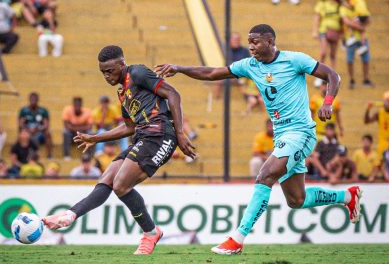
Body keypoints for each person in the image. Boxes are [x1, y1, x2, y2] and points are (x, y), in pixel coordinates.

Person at [155, 24, 361, 255]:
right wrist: (179, 68)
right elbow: (212, 73)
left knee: (265, 175)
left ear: (271, 42)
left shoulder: (295, 60)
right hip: (283, 136)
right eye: (249, 41)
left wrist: (327, 102)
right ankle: (347, 196)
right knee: (296, 200)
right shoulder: (249, 66)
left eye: (255, 42)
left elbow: (333, 75)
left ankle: (237, 238)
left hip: (301, 132)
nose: (251, 47)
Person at [43, 45, 195, 255]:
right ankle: (70, 215)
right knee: (106, 180)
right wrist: (96, 138)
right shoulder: (122, 92)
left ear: (122, 64)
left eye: (110, 70)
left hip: (161, 135)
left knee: (121, 185)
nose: (106, 76)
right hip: (142, 137)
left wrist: (180, 134)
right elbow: (129, 127)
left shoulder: (138, 73)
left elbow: (173, 94)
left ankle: (151, 233)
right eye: (102, 72)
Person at [340, 0, 373, 88]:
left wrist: (355, 25)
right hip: (350, 39)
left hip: (361, 38)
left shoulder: (359, 4)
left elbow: (369, 19)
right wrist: (361, 28)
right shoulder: (343, 8)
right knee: (350, 60)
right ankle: (352, 79)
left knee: (365, 60)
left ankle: (366, 79)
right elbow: (346, 22)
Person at [312, 0, 341, 87]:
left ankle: (333, 78)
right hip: (324, 30)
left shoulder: (340, 5)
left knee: (333, 55)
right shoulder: (322, 3)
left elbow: (343, 20)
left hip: (336, 32)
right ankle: (318, 76)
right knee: (323, 52)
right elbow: (317, 18)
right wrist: (314, 31)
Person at [213, 32, 251, 99]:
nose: (236, 41)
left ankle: (247, 98)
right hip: (227, 74)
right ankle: (216, 99)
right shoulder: (224, 50)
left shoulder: (244, 51)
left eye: (238, 39)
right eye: (234, 39)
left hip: (240, 75)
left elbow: (248, 64)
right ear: (229, 40)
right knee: (217, 79)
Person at [364, 91, 389, 155]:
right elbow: (367, 121)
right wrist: (367, 109)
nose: (388, 103)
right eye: (387, 100)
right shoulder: (379, 113)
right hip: (383, 144)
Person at [19, 92, 53, 158]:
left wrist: (37, 129)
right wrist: (28, 130)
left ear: (38, 100)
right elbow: (21, 124)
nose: (33, 101)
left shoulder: (43, 111)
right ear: (29, 100)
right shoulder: (24, 111)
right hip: (27, 132)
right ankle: (27, 156)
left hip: (40, 132)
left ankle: (49, 155)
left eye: (35, 99)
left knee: (48, 134)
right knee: (24, 135)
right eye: (32, 99)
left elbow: (46, 124)